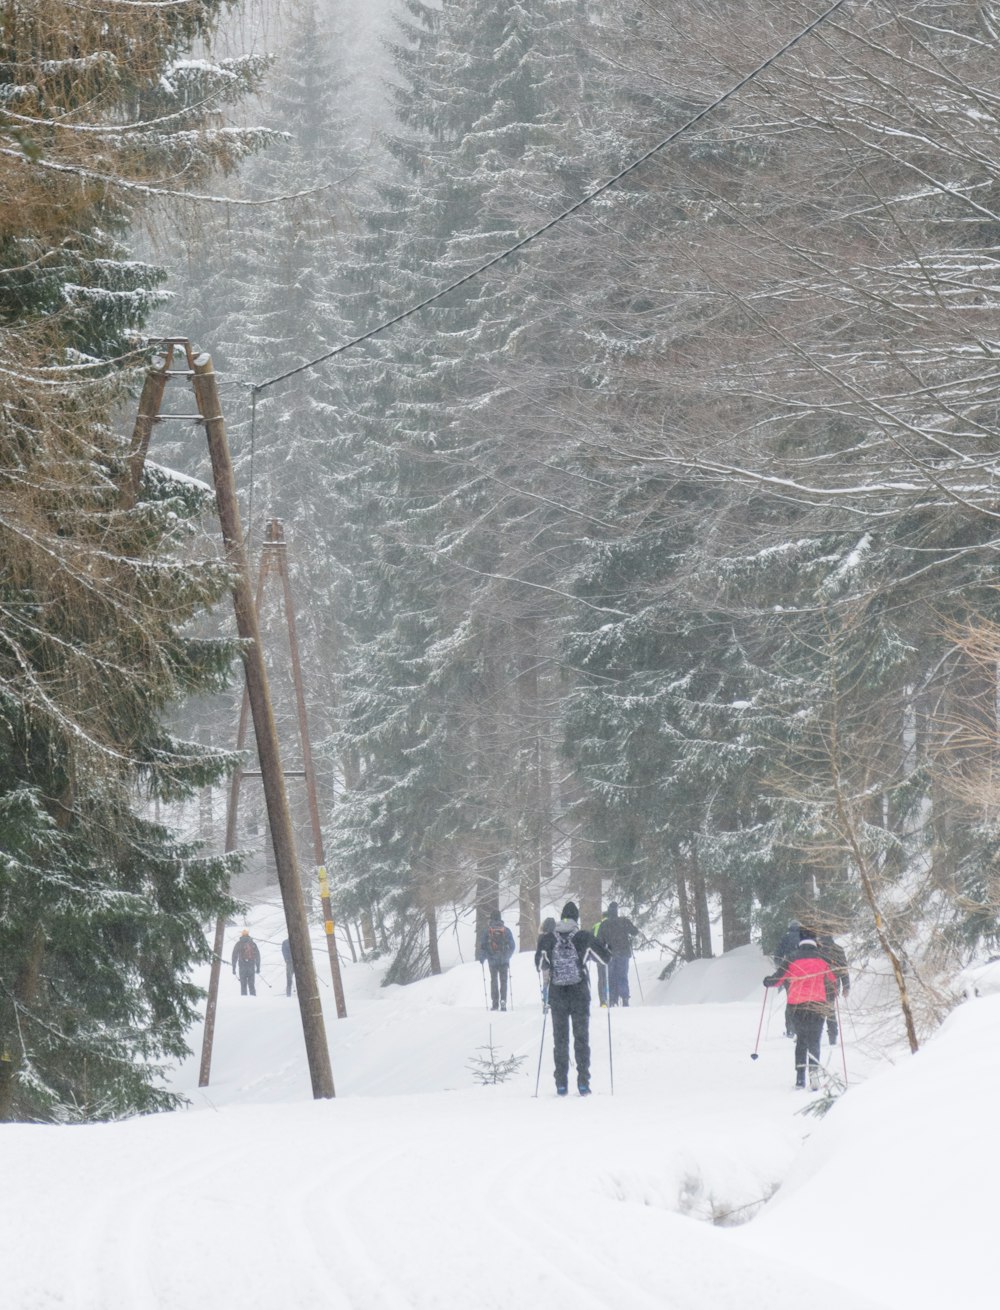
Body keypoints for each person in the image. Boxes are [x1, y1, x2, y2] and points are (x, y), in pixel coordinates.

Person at [534, 901, 612, 1096]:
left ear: (562, 917)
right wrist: (607, 947)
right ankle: (583, 1082)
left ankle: (561, 1084)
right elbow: (605, 959)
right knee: (581, 1039)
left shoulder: (548, 938)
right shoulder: (583, 937)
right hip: (579, 995)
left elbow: (540, 964)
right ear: (576, 919)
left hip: (557, 995)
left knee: (560, 1040)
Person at [764, 933, 837, 1089]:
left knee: (802, 1040)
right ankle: (814, 1074)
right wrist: (832, 995)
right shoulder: (823, 958)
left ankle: (800, 1078)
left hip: (797, 1005)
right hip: (818, 1004)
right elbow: (832, 980)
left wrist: (767, 981)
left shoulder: (791, 958)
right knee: (815, 1040)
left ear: (800, 943)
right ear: (815, 943)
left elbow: (777, 980)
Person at [597, 902, 638, 1006]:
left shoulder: (604, 924)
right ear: (616, 910)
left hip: (610, 954)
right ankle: (625, 998)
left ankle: (612, 1000)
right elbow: (635, 932)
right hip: (624, 953)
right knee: (622, 976)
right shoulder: (624, 921)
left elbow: (599, 941)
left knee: (611, 977)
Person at [477, 909, 516, 1011]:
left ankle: (495, 1003)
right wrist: (507, 956)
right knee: (504, 981)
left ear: (491, 918)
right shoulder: (506, 930)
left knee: (493, 981)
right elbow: (512, 946)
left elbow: (483, 946)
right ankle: (503, 1001)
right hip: (504, 960)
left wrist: (482, 957)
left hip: (492, 960)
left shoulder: (487, 931)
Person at [816, 933, 850, 1045]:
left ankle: (815, 1035)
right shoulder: (838, 949)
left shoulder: (816, 949)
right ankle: (833, 1035)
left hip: (817, 985)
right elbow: (844, 969)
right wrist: (846, 986)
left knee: (816, 1010)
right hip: (833, 985)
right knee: (830, 1010)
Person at [773, 919, 802, 1037]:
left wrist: (780, 967)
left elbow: (777, 956)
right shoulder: (804, 937)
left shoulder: (786, 938)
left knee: (791, 1001)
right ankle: (802, 1028)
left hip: (789, 974)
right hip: (803, 975)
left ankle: (790, 1029)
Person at [231, 928, 261, 996]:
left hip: (242, 967)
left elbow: (234, 956)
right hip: (251, 966)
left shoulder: (238, 944)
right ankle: (253, 999)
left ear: (242, 935)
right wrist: (258, 967)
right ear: (248, 935)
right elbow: (257, 956)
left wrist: (233, 968)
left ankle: (244, 1001)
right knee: (251, 985)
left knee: (243, 985)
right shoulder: (253, 944)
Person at [536, 917, 556, 1010]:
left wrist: (537, 964)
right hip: (554, 962)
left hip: (544, 963)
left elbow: (538, 951)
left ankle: (545, 1000)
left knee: (545, 982)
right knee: (553, 981)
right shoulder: (555, 936)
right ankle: (551, 1000)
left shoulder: (541, 937)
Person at [590, 912, 609, 1007]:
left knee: (601, 977)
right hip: (610, 953)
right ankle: (613, 998)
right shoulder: (611, 924)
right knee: (610, 976)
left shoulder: (596, 926)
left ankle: (603, 1000)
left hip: (599, 955)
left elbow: (590, 939)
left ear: (602, 917)